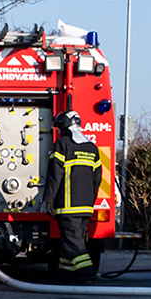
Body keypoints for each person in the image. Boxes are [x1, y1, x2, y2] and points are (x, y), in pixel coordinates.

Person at [43, 110, 102, 283]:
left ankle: (87, 273)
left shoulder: (63, 145)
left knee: (74, 243)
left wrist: (48, 200)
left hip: (67, 206)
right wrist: (91, 202)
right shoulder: (92, 148)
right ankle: (65, 275)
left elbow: (55, 175)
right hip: (86, 208)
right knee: (68, 242)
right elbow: (97, 180)